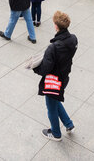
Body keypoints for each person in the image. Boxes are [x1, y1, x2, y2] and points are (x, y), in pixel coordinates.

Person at [34, 11, 78, 141]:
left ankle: (56, 133)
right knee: (55, 100)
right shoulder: (73, 39)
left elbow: (44, 69)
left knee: (51, 106)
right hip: (64, 77)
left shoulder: (53, 47)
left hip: (53, 80)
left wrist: (35, 67)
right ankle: (68, 124)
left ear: (56, 26)